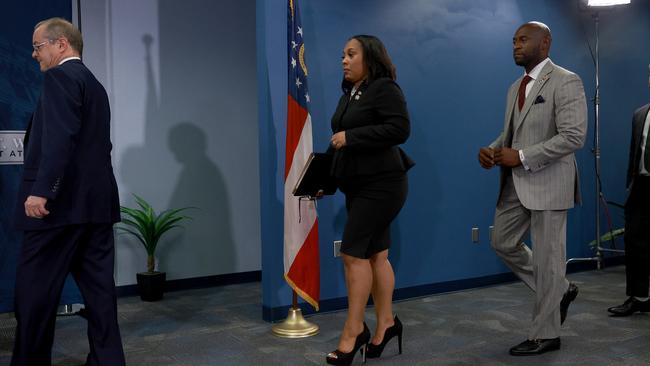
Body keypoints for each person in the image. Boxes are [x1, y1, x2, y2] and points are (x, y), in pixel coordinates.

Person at [11, 17, 125, 366]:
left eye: (38, 46)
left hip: (57, 211)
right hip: (96, 208)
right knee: (100, 295)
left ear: (62, 44)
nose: (34, 54)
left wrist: (43, 191)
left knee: (33, 294)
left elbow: (60, 140)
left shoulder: (61, 78)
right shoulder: (94, 83)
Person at [477, 21, 587, 356]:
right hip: (515, 183)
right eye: (513, 41)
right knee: (502, 242)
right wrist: (494, 150)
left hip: (550, 182)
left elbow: (573, 136)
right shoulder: (515, 87)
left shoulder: (567, 81)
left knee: (548, 260)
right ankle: (562, 290)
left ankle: (546, 334)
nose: (515, 46)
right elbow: (512, 133)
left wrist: (521, 156)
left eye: (523, 40)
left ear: (545, 42)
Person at [325, 35, 414, 366]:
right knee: (377, 254)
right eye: (342, 55)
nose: (344, 61)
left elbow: (400, 130)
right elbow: (340, 145)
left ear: (370, 57)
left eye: (351, 54)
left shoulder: (384, 88)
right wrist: (327, 182)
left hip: (383, 184)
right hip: (358, 185)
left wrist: (352, 136)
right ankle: (387, 324)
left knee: (352, 254)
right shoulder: (350, 92)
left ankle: (354, 331)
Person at [607, 70, 650, 316]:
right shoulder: (639, 114)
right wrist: (630, 183)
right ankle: (639, 297)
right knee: (635, 242)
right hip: (641, 187)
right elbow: (635, 151)